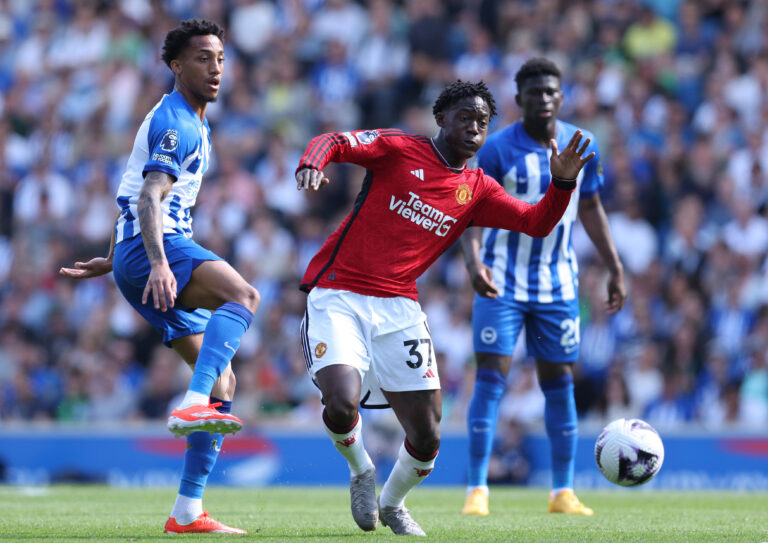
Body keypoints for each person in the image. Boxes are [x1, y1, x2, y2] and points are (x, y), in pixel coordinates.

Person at [295, 79, 595, 536]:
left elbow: (537, 223)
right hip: (340, 293)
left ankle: (392, 504)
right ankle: (361, 470)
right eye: (465, 117)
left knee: (429, 434)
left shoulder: (477, 189)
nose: (475, 128)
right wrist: (312, 161)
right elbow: (334, 140)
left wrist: (563, 181)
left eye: (483, 121)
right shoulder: (398, 149)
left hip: (399, 307)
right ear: (441, 119)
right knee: (341, 399)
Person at [59, 19, 259, 535]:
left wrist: (115, 256)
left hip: (133, 253)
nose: (215, 68)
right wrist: (158, 262)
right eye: (201, 59)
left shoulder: (189, 117)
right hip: (156, 249)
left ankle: (187, 512)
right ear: (176, 65)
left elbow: (129, 190)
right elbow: (149, 196)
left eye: (219, 58)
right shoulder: (179, 123)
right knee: (244, 294)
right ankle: (191, 402)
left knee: (226, 378)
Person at [459, 58, 626, 518]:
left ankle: (562, 492)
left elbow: (590, 208)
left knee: (560, 385)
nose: (543, 98)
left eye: (551, 91)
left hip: (558, 284)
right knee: (491, 380)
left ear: (561, 96)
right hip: (502, 280)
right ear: (520, 99)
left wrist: (614, 266)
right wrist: (474, 262)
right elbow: (470, 210)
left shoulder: (582, 143)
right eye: (534, 92)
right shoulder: (495, 150)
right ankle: (477, 488)